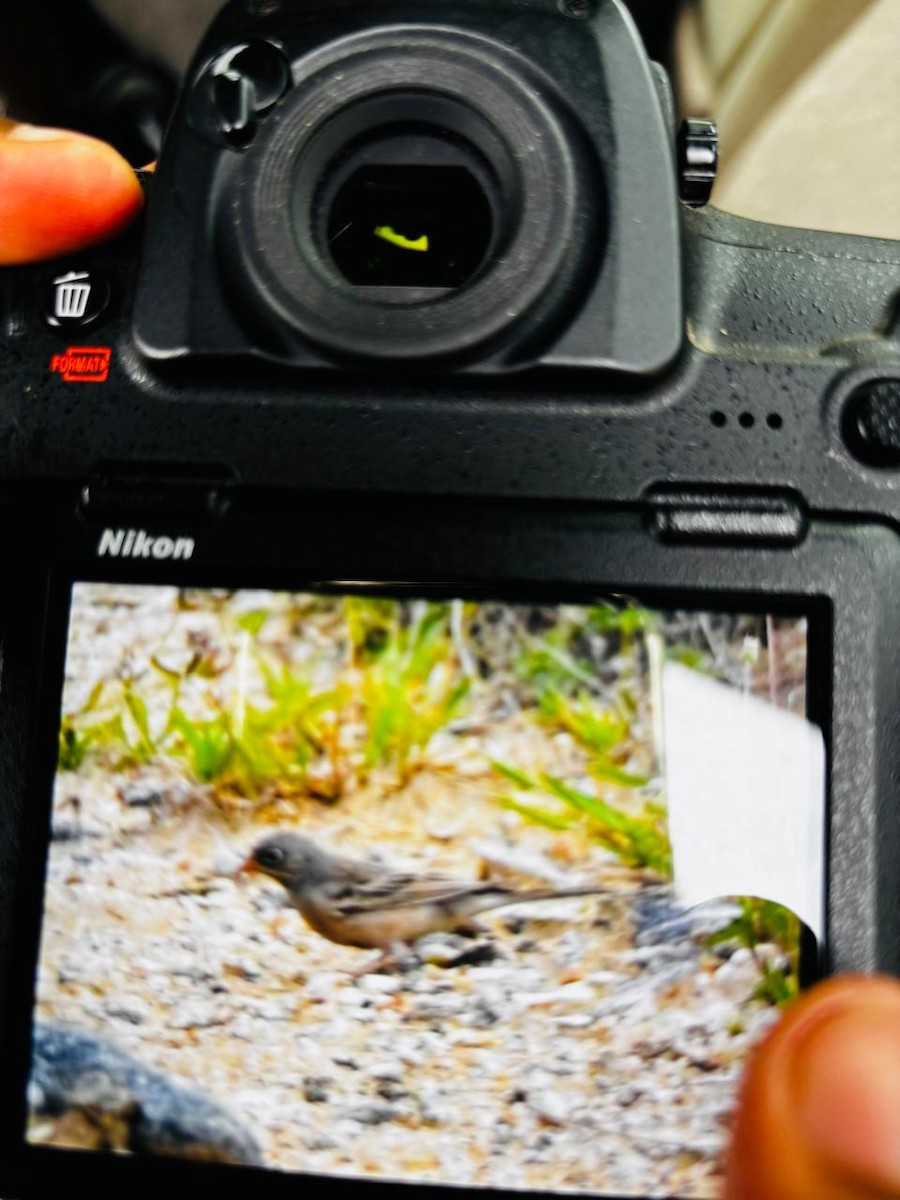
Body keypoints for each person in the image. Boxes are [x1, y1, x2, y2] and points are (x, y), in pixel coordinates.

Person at [2, 118, 900, 1200]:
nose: (262, 873)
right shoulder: (318, 890)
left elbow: (395, 902)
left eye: (264, 861)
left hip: (445, 906)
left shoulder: (333, 894)